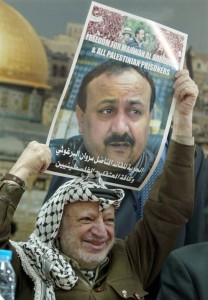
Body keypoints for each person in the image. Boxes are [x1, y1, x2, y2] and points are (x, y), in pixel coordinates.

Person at [0, 68, 198, 299]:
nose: (101, 231)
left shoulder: (128, 260)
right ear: (57, 226)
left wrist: (184, 119)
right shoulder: (24, 266)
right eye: (86, 219)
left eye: (109, 220)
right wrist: (19, 173)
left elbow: (170, 209)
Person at [50, 59, 158, 187]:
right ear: (81, 118)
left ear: (149, 120)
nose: (120, 129)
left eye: (135, 112)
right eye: (107, 111)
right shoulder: (53, 158)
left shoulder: (163, 178)